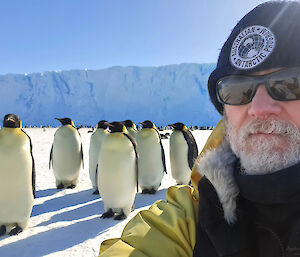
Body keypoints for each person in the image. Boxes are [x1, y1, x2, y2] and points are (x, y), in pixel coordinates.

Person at [99, 1, 300, 256]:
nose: (259, 108)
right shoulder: (194, 213)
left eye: (290, 83)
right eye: (237, 89)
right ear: (224, 109)